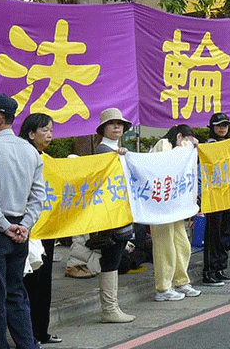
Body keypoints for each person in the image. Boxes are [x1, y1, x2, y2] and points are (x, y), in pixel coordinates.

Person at [0, 93, 45, 349]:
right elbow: (39, 195)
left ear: (0, 118)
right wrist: (25, 224)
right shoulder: (30, 151)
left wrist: (4, 225)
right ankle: (27, 344)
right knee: (16, 293)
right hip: (21, 230)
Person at [19, 113, 62, 345]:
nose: (49, 134)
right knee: (30, 283)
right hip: (27, 229)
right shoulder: (24, 157)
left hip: (46, 228)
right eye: (44, 129)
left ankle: (40, 332)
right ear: (31, 133)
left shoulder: (47, 160)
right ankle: (28, 334)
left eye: (51, 129)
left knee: (43, 282)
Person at [92, 107, 136, 322]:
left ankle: (111, 308)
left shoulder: (117, 151)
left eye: (120, 124)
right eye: (112, 123)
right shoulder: (104, 152)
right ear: (103, 129)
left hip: (118, 211)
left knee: (114, 258)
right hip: (110, 215)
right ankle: (109, 310)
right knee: (110, 258)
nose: (117, 126)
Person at [149, 124, 202, 299]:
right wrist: (189, 146)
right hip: (160, 206)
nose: (189, 144)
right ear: (179, 137)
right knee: (165, 247)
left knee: (182, 245)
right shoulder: (164, 143)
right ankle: (163, 288)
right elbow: (167, 160)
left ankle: (181, 281)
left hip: (174, 206)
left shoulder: (180, 150)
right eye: (187, 139)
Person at [202, 113, 230, 285]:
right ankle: (209, 271)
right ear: (212, 127)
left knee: (225, 232)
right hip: (214, 195)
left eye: (225, 125)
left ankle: (221, 268)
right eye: (218, 125)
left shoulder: (229, 144)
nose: (222, 128)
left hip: (227, 193)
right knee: (213, 234)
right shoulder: (208, 146)